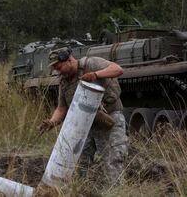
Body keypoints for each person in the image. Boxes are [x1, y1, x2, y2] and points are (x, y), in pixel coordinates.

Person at [38, 47, 128, 188]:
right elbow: (62, 108)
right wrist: (52, 122)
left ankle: (115, 191)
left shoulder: (91, 63)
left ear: (69, 59)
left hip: (109, 119)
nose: (57, 71)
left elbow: (118, 69)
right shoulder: (64, 81)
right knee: (80, 163)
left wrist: (95, 75)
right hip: (85, 125)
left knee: (112, 159)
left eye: (58, 66)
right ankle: (81, 190)